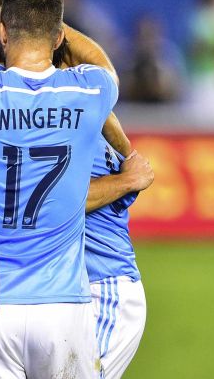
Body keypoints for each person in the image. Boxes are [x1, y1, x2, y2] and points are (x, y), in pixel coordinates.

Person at [0, 0, 121, 378]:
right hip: (62, 308)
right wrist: (52, 21)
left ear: (2, 31)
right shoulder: (90, 91)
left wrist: (5, 10)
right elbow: (106, 67)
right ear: (58, 37)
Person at [84, 138, 153, 379]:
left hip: (104, 289)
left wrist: (129, 176)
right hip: (62, 292)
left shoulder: (79, 135)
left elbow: (62, 201)